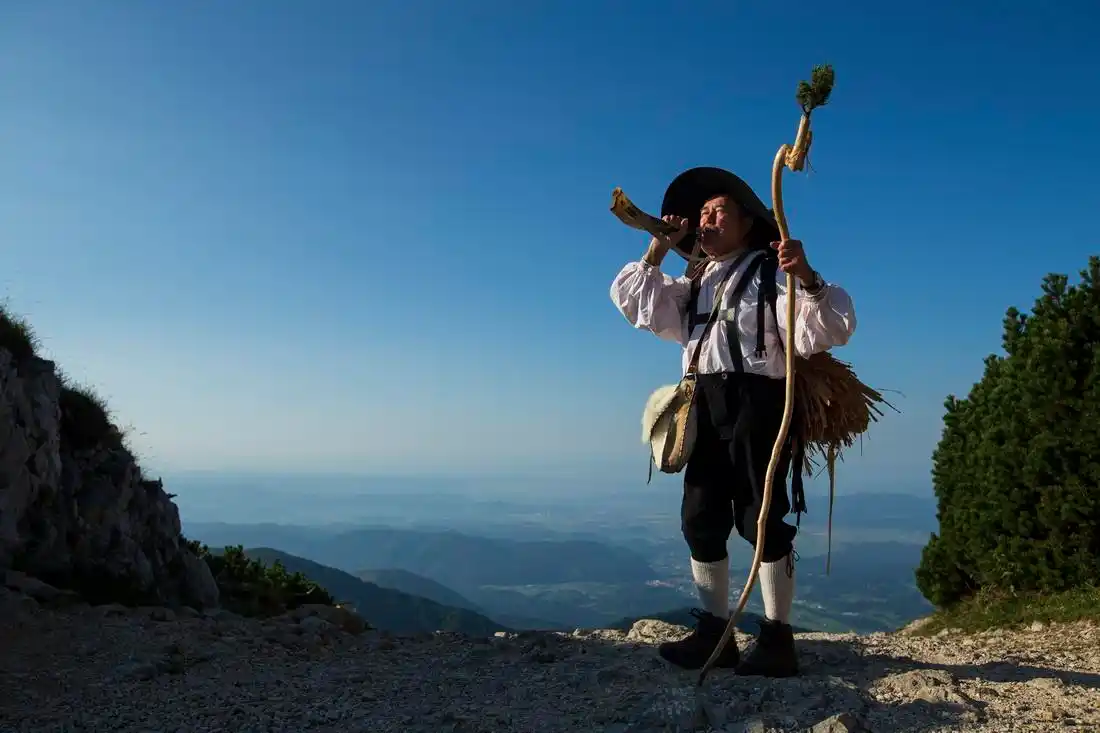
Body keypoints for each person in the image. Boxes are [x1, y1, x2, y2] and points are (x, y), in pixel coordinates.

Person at [609, 166, 857, 677]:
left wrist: (808, 277)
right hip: (702, 403)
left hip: (757, 403)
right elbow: (637, 306)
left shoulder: (772, 275)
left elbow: (828, 329)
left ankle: (777, 639)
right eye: (702, 212)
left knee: (759, 518)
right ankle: (714, 636)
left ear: (747, 224)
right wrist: (658, 246)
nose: (706, 219)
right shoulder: (693, 281)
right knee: (699, 517)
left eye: (718, 211)